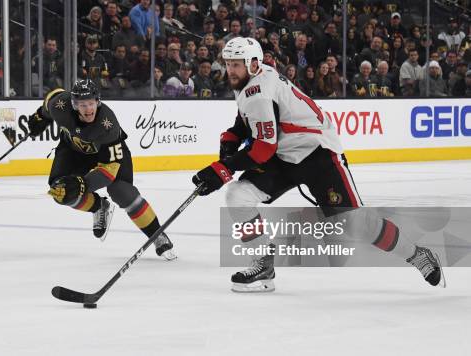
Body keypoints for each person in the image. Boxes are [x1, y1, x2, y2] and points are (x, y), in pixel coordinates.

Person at [191, 37, 443, 293]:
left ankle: (418, 255)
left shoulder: (259, 90)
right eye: (228, 64)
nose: (230, 70)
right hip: (284, 153)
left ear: (253, 64)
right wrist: (232, 137)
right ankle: (263, 266)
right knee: (238, 196)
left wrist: (223, 168)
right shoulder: (250, 79)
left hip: (317, 153)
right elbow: (251, 120)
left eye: (236, 64)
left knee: (357, 224)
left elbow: (263, 148)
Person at [27, 79, 176, 260]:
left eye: (91, 103)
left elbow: (109, 171)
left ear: (98, 101)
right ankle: (99, 207)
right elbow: (52, 97)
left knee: (121, 191)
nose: (88, 109)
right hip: (73, 151)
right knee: (60, 191)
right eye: (82, 104)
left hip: (108, 157)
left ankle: (157, 234)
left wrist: (83, 183)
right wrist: (40, 116)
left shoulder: (108, 125)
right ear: (73, 104)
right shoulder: (60, 107)